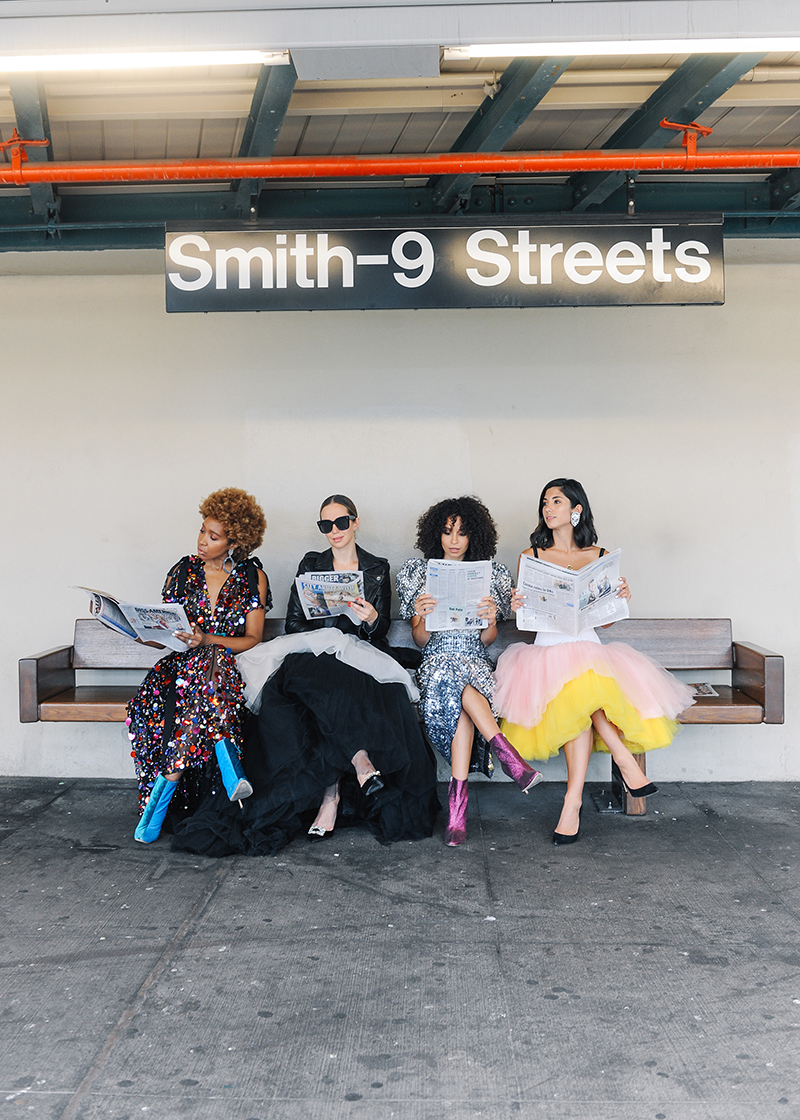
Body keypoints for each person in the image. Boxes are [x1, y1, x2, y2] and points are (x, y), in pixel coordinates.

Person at [171, 495, 439, 856]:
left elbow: (380, 631)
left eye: (341, 523)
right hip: (312, 650)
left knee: (339, 689)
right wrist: (321, 616)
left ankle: (332, 795)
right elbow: (294, 624)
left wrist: (369, 618)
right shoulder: (310, 564)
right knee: (308, 680)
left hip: (359, 656)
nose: (334, 531)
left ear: (355, 523)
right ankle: (357, 767)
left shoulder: (377, 568)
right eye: (325, 525)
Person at [493, 478, 695, 845]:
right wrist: (519, 606)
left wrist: (619, 597)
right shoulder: (531, 557)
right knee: (580, 693)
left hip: (588, 644)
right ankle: (621, 759)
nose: (548, 508)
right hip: (546, 650)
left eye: (556, 501)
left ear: (576, 509)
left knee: (584, 686)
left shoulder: (598, 556)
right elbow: (526, 621)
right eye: (544, 503)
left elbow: (606, 620)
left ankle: (572, 803)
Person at [396, 496, 543, 847]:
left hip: (475, 660)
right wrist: (424, 615)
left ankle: (457, 813)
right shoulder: (418, 575)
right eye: (447, 532)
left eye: (462, 533)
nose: (454, 540)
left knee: (463, 695)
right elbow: (419, 641)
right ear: (437, 535)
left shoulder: (490, 576)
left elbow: (488, 639)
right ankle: (506, 755)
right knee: (450, 674)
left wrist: (491, 618)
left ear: (474, 536)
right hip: (436, 659)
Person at [127, 488, 270, 843]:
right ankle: (227, 759)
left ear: (234, 542)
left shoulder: (252, 578)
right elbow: (165, 627)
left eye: (214, 536)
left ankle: (162, 794)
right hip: (177, 670)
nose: (202, 541)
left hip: (230, 667)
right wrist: (140, 629)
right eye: (202, 531)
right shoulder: (182, 571)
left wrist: (207, 640)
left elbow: (252, 639)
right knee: (203, 670)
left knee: (214, 660)